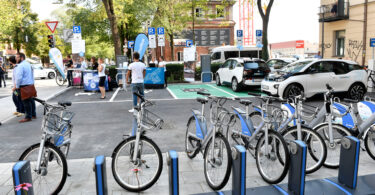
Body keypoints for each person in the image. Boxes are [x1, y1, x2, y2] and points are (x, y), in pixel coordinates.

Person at [15, 53, 36, 123]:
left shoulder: (20, 66)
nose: (16, 59)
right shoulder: (29, 64)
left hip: (24, 87)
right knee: (31, 100)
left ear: (21, 58)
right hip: (30, 85)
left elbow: (18, 78)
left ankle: (28, 117)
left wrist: (17, 87)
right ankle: (33, 114)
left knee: (26, 102)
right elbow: (32, 74)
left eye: (17, 57)